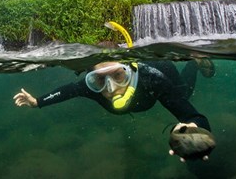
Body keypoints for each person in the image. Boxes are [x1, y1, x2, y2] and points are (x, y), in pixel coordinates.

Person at [13, 59, 216, 162]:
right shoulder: (91, 86)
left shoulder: (152, 79)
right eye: (100, 79)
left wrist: (195, 128)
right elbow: (68, 91)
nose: (111, 88)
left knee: (185, 93)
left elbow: (192, 116)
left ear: (131, 71)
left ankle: (193, 62)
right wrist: (37, 102)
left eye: (119, 76)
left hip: (164, 69)